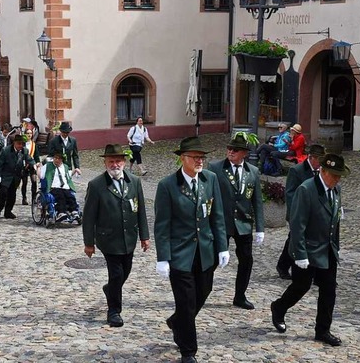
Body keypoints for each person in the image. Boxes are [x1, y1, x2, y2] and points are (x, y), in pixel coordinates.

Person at [154, 136, 229, 363]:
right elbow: (162, 224)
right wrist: (163, 258)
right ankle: (188, 351)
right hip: (180, 255)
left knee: (202, 293)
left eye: (202, 157)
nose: (200, 161)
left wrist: (222, 246)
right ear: (183, 159)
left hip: (205, 252)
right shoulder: (168, 186)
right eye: (195, 157)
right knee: (186, 303)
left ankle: (178, 322)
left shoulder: (210, 179)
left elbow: (217, 215)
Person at [270, 153, 350, 347]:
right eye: (334, 175)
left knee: (329, 290)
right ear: (322, 171)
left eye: (339, 175)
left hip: (328, 250)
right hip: (309, 249)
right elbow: (298, 225)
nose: (337, 179)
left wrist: (336, 248)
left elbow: (335, 222)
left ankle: (323, 330)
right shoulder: (306, 190)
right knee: (301, 286)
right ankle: (279, 307)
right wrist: (299, 254)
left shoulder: (336, 189)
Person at [82, 144, 150, 328]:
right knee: (116, 273)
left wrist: (144, 235)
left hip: (129, 237)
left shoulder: (134, 181)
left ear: (124, 161)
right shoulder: (96, 185)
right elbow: (88, 217)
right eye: (111, 161)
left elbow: (141, 210)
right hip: (108, 239)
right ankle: (114, 311)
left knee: (125, 271)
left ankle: (110, 289)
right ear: (105, 162)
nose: (115, 164)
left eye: (118, 161)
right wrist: (89, 243)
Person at [208, 134, 264, 310]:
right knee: (213, 260)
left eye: (235, 150)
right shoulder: (215, 168)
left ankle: (240, 295)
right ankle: (199, 290)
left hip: (243, 223)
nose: (231, 152)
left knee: (246, 260)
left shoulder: (252, 172)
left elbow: (257, 201)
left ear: (245, 153)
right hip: (222, 223)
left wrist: (260, 228)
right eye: (229, 148)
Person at [276, 144, 326, 280]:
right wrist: (296, 213)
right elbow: (290, 193)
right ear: (311, 158)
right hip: (299, 213)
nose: (320, 163)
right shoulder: (297, 170)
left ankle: (317, 271)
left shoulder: (321, 171)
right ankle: (283, 265)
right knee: (294, 239)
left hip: (315, 213)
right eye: (319, 160)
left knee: (313, 239)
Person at [0, 134, 36, 219]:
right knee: (3, 194)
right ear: (14, 143)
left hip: (16, 177)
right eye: (19, 144)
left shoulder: (24, 151)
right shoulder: (6, 150)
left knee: (12, 196)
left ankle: (8, 212)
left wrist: (34, 165)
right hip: (6, 176)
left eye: (22, 144)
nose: (20, 146)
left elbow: (29, 159)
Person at [40, 151, 78, 224]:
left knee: (70, 196)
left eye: (59, 158)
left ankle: (74, 211)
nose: (57, 160)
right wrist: (38, 168)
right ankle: (61, 213)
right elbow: (41, 176)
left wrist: (75, 170)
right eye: (55, 158)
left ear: (62, 160)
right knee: (60, 196)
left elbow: (68, 176)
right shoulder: (48, 166)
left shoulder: (65, 167)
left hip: (65, 187)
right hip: (54, 187)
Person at [21, 128, 41, 205]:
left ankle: (33, 198)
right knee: (24, 182)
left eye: (30, 133)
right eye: (28, 133)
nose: (29, 135)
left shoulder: (34, 144)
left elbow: (36, 156)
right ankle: (24, 198)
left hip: (32, 166)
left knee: (34, 181)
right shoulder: (22, 144)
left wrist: (38, 163)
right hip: (24, 165)